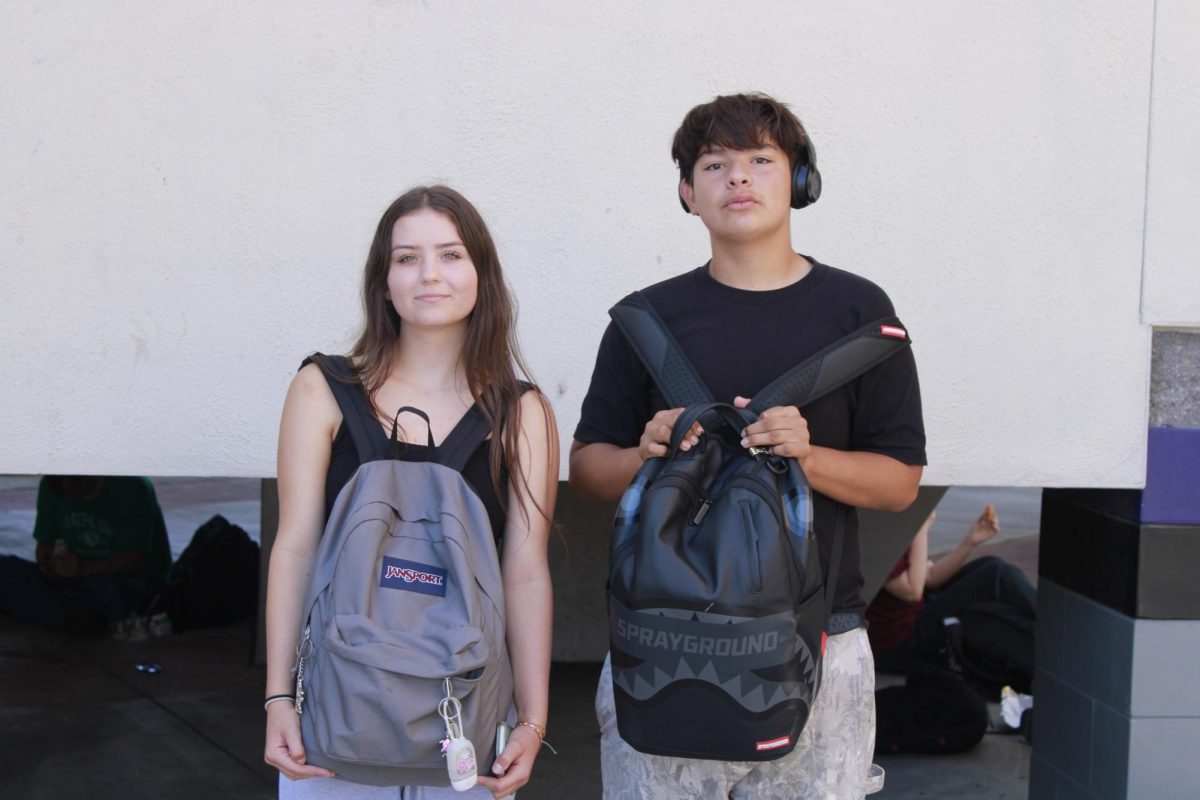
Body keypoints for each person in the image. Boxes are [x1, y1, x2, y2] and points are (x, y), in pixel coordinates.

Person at [570, 93, 926, 799]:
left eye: (761, 160)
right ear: (687, 193)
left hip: (823, 639)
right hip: (662, 639)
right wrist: (643, 451)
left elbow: (900, 483)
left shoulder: (859, 316)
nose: (739, 178)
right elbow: (587, 469)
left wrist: (810, 456)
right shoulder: (646, 322)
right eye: (715, 164)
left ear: (798, 183)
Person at [262, 186, 558, 800]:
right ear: (383, 280)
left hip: (468, 724)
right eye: (407, 258)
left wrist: (532, 719)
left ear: (482, 274)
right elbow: (294, 548)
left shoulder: (520, 412)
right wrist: (277, 698)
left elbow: (525, 571)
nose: (430, 275)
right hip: (334, 724)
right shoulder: (323, 389)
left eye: (451, 255)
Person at [867, 505, 1037, 680]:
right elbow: (912, 591)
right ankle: (1049, 625)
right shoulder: (875, 534)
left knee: (991, 566)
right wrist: (921, 529)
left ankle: (1043, 627)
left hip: (915, 619)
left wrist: (970, 541)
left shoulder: (896, 523)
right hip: (897, 646)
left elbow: (930, 577)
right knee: (993, 572)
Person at [0, 475, 172, 633]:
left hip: (122, 580)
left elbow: (136, 561)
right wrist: (48, 564)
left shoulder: (132, 486)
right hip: (74, 583)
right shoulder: (51, 485)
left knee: (110, 592)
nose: (71, 494)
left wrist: (83, 568)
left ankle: (63, 615)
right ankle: (75, 617)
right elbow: (45, 543)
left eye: (77, 488)